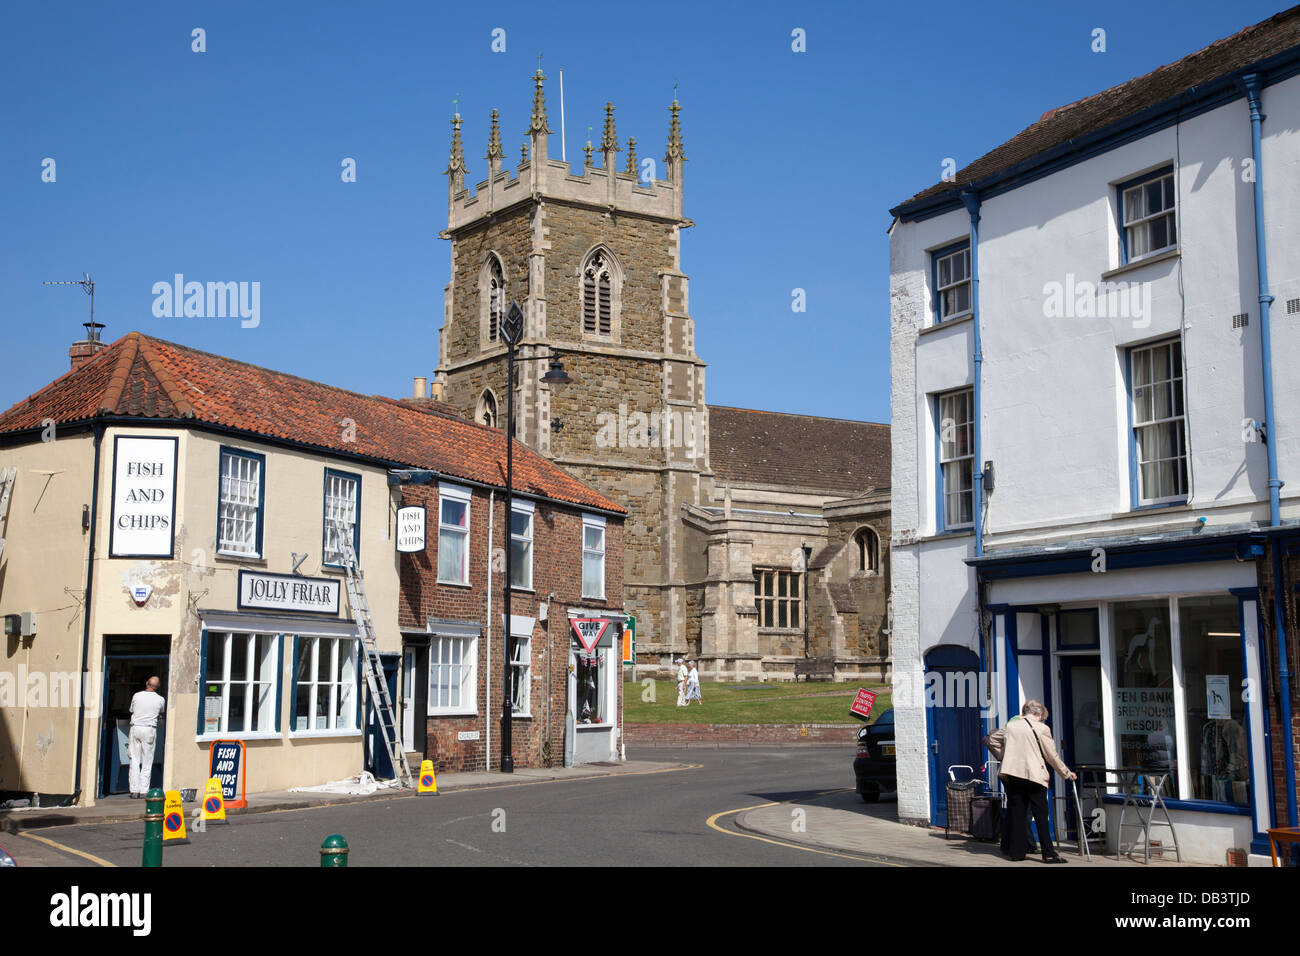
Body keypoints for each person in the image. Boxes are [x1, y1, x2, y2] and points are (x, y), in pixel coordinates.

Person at [983, 699, 1075, 863]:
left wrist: (1005, 755)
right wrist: (1066, 773)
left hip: (1012, 774)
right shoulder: (1042, 729)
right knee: (1041, 815)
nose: (1041, 719)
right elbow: (1051, 756)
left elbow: (992, 739)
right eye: (1041, 716)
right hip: (1034, 776)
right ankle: (1048, 854)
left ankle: (1017, 854)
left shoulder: (1012, 726)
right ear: (1038, 714)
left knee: (1017, 814)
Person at [128, 676, 165, 798]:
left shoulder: (137, 696)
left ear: (146, 683)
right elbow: (161, 713)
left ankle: (134, 790)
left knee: (134, 759)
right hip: (149, 729)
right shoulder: (160, 699)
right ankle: (144, 790)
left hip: (136, 727)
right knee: (147, 761)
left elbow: (131, 710)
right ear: (157, 687)